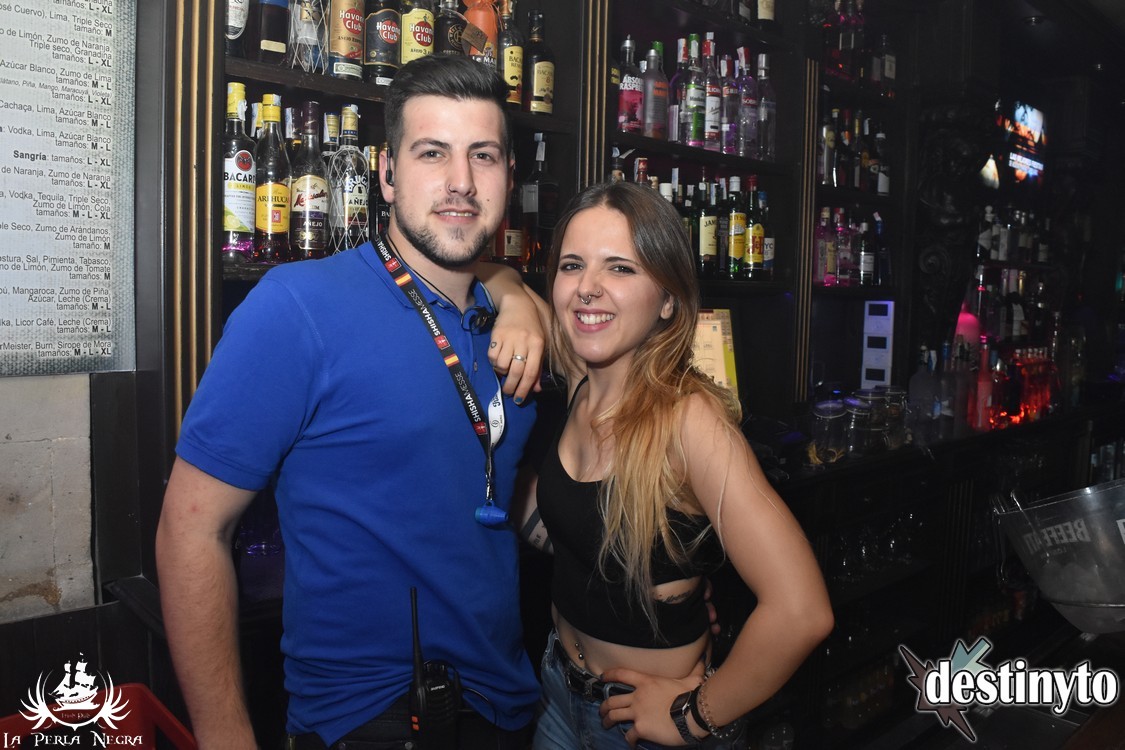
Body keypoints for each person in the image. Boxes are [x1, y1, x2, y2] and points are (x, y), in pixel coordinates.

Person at [156, 55, 549, 750]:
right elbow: (190, 531)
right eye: (432, 153)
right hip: (366, 721)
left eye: (483, 156)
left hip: (509, 710)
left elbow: (494, 496)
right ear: (387, 172)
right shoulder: (296, 307)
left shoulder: (515, 321)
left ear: (509, 177)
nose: (461, 181)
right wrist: (224, 737)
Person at [514, 181, 834, 748]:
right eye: (572, 265)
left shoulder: (689, 421)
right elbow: (492, 276)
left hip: (638, 727)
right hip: (558, 690)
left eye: (620, 268)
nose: (587, 288)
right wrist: (508, 295)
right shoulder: (580, 385)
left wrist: (693, 716)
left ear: (667, 299)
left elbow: (802, 610)